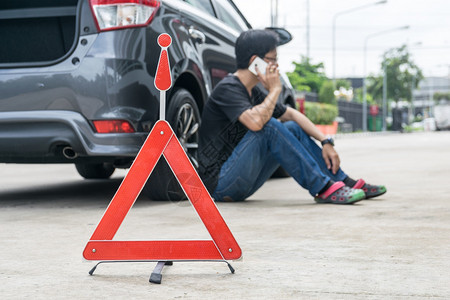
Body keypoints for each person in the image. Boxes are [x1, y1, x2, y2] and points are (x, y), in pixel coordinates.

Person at [197, 29, 386, 204]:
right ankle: (323, 188)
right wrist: (275, 89)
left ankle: (342, 181)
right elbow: (255, 123)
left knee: (292, 128)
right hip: (219, 185)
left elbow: (292, 114)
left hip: (239, 179)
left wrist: (326, 141)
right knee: (268, 126)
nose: (276, 66)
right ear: (255, 62)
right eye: (272, 60)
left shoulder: (253, 92)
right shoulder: (228, 88)